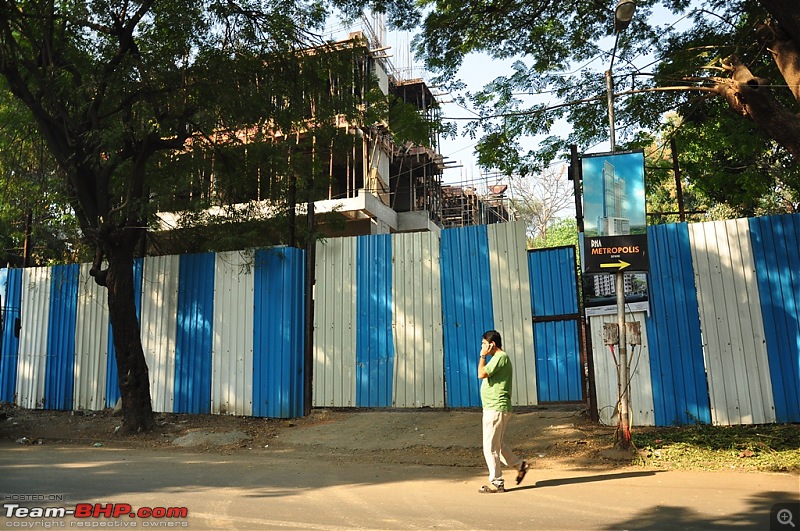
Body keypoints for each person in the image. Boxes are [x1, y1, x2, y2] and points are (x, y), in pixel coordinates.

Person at [476, 330, 528, 493]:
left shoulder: (500, 357)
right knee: (497, 444)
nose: (482, 347)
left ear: (492, 344)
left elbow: (481, 373)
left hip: (496, 407)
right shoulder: (498, 358)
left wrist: (483, 356)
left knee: (489, 447)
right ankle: (520, 465)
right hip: (494, 407)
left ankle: (496, 482)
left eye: (484, 344)